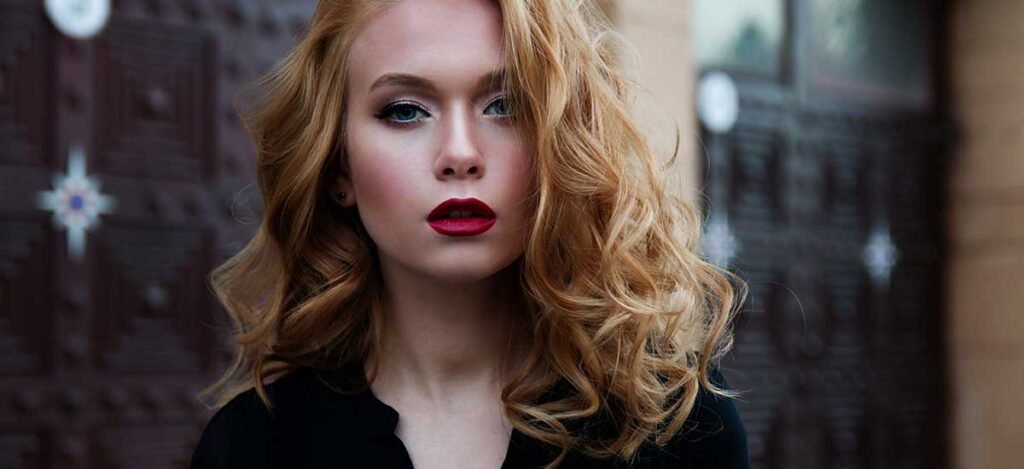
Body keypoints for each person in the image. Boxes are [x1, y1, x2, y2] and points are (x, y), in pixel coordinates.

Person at [190, 0, 750, 468]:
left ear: (560, 143)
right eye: (405, 111)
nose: (460, 153)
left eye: (505, 105)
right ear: (339, 166)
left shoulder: (677, 423)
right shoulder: (249, 447)